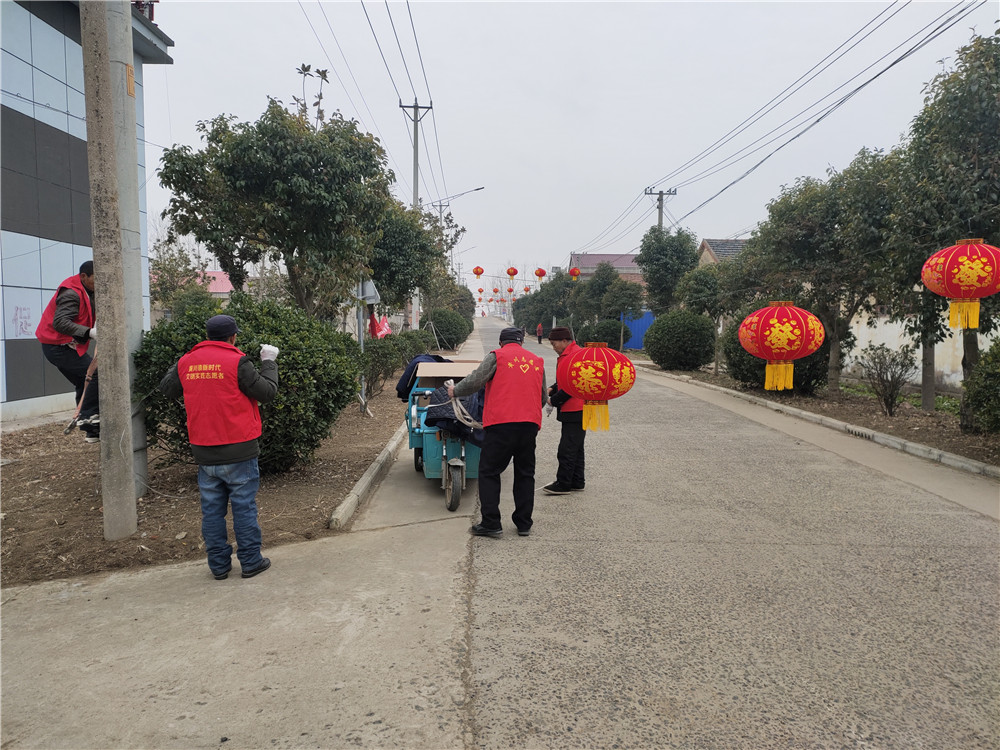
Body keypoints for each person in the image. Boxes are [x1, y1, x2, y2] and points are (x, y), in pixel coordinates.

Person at [159, 314, 279, 580]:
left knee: (212, 511)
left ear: (208, 335)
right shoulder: (238, 362)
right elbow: (267, 392)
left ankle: (218, 566)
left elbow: (167, 389)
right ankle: (250, 562)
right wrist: (269, 362)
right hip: (240, 450)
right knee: (243, 506)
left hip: (204, 452)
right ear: (233, 336)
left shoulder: (187, 362)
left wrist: (182, 361)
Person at [447, 327, 546, 538]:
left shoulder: (497, 356)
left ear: (501, 342)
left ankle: (491, 523)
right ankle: (524, 524)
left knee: (489, 471)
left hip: (502, 424)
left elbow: (475, 381)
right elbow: (543, 396)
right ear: (521, 343)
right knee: (525, 473)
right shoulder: (536, 360)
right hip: (529, 425)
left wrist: (455, 390)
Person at [35, 261, 100, 442]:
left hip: (68, 346)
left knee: (84, 380)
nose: (100, 283)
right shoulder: (71, 293)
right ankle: (88, 417)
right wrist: (89, 333)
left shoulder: (90, 291)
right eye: (96, 279)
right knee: (94, 374)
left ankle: (91, 429)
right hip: (58, 347)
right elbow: (60, 322)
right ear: (83, 277)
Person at [542, 327, 586, 495]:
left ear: (565, 341)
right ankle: (577, 480)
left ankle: (563, 483)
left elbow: (573, 386)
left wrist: (553, 400)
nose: (554, 347)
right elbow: (566, 379)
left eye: (554, 344)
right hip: (577, 407)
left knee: (567, 448)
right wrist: (553, 388)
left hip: (575, 407)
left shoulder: (574, 356)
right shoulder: (569, 354)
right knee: (577, 446)